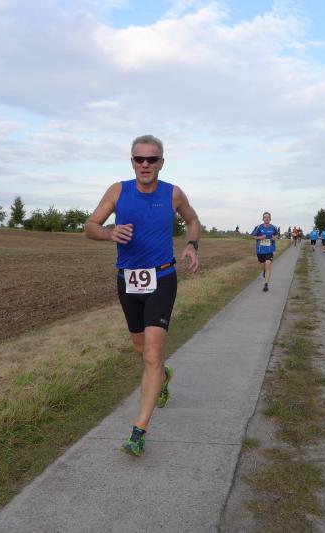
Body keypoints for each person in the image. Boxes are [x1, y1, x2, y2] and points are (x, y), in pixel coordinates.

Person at [85, 134, 200, 457]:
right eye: (139, 159)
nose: (145, 164)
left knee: (151, 354)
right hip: (128, 282)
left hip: (162, 278)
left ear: (162, 163)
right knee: (142, 351)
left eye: (152, 159)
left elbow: (192, 220)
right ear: (132, 162)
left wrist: (192, 245)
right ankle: (163, 375)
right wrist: (109, 233)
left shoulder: (173, 193)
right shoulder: (118, 191)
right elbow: (90, 225)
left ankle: (139, 430)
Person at [251, 212, 279, 292]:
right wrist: (260, 237)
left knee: (268, 265)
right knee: (264, 265)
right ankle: (264, 270)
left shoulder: (274, 227)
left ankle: (266, 284)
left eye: (268, 217)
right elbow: (252, 236)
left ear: (270, 219)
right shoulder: (258, 227)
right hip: (260, 251)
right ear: (263, 219)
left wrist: (275, 237)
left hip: (270, 250)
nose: (266, 218)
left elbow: (277, 235)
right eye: (265, 217)